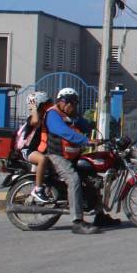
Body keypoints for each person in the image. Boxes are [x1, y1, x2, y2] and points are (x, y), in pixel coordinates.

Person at [44, 87, 117, 234]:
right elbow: (64, 132)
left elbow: (86, 125)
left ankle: (99, 215)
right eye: (72, 103)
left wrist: (104, 136)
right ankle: (77, 222)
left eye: (75, 104)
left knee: (93, 177)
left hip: (72, 156)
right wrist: (85, 140)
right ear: (63, 102)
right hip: (57, 156)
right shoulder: (53, 114)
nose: (74, 107)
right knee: (74, 179)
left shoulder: (73, 115)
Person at [17, 91, 56, 203]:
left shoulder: (46, 118)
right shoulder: (32, 119)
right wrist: (33, 106)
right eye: (45, 104)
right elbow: (35, 120)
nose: (49, 106)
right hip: (28, 151)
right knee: (42, 160)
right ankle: (38, 189)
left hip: (41, 150)